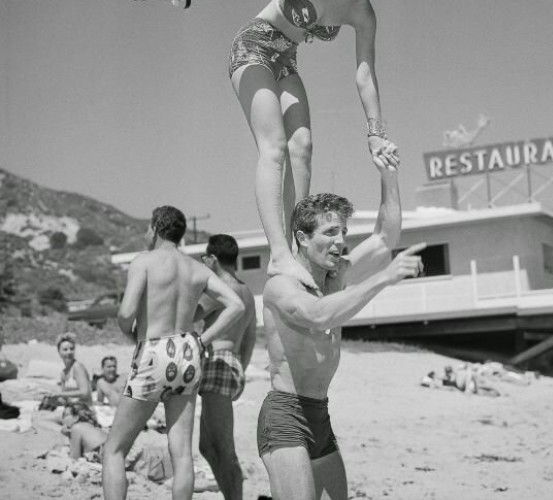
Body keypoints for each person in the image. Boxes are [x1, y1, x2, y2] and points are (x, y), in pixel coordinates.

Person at [130, 0, 406, 287]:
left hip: (286, 60)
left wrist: (375, 132)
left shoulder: (362, 12)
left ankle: (296, 247)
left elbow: (365, 73)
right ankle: (278, 254)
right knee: (273, 146)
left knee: (302, 146)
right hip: (253, 45)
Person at [258, 161, 425, 500]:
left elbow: (384, 238)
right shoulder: (282, 286)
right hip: (286, 415)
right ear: (303, 238)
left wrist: (389, 174)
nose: (341, 241)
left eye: (344, 232)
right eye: (330, 233)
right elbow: (317, 315)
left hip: (319, 413)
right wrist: (383, 278)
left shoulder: (337, 276)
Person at [102, 206, 245, 500]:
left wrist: (130, 334)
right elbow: (236, 305)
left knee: (114, 450)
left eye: (148, 228)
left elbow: (126, 313)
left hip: (154, 348)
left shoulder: (144, 261)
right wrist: (202, 341)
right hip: (188, 351)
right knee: (181, 456)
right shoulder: (197, 268)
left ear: (156, 227)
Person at [195, 233, 257, 500]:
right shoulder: (247, 292)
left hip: (217, 363)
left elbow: (188, 315)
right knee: (207, 447)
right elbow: (250, 338)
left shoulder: (219, 289)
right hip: (232, 364)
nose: (203, 262)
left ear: (213, 258)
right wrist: (240, 369)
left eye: (204, 258)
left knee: (223, 448)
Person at [41, 332, 93, 408]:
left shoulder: (77, 367)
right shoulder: (63, 373)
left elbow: (85, 392)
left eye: (72, 349)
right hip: (71, 407)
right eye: (65, 350)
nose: (69, 352)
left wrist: (59, 394)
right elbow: (65, 398)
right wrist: (52, 398)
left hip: (84, 408)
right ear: (59, 352)